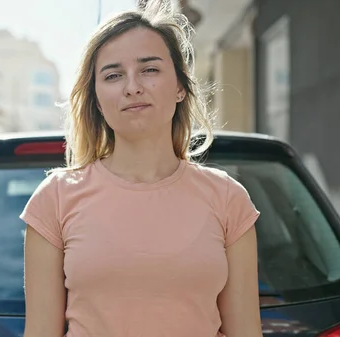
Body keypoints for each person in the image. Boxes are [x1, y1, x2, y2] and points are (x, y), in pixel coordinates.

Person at [19, 1, 262, 336]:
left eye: (149, 69)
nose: (132, 86)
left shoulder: (229, 199)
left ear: (179, 86)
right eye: (113, 75)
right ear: (97, 99)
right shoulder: (55, 199)